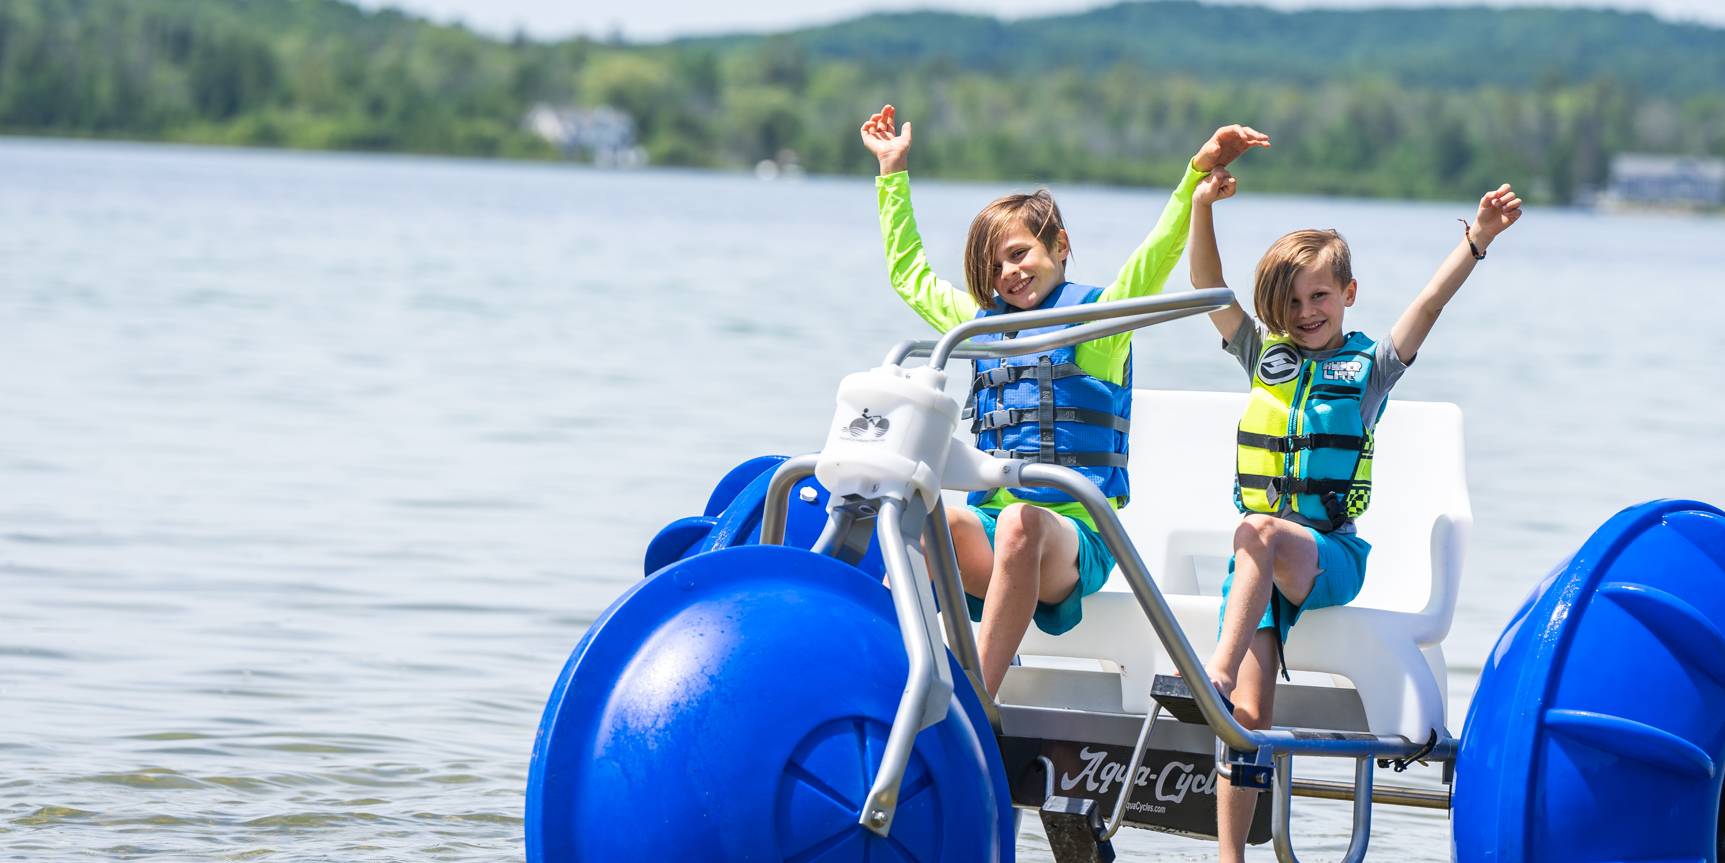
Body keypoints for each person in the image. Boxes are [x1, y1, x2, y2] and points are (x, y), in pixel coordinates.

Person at [859, 103, 1269, 696]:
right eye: (994, 265)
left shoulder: (1096, 323)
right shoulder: (982, 327)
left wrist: (1193, 176)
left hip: (1075, 538)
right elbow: (909, 276)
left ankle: (976, 701)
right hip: (992, 523)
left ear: (1060, 245)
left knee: (1024, 523)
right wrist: (892, 173)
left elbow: (1154, 258)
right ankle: (898, 681)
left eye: (1020, 253)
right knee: (923, 515)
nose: (1009, 273)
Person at [1188, 164, 1522, 861]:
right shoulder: (1261, 355)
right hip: (1259, 570)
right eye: (1291, 300)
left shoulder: (1369, 370)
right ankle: (1229, 857)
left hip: (1328, 557)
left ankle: (1209, 675)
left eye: (1319, 296)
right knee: (1246, 717)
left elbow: (1427, 305)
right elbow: (1204, 287)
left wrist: (1477, 240)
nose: (1305, 311)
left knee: (1256, 532)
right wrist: (1200, 207)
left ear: (1347, 295)